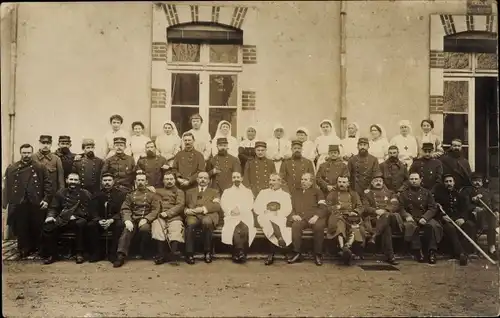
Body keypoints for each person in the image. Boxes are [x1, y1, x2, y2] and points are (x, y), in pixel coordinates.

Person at [2, 144, 52, 259]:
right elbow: (7, 186)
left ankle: (36, 248)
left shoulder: (40, 167)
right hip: (19, 201)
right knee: (21, 226)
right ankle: (23, 249)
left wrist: (46, 200)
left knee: (36, 225)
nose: (26, 155)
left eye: (29, 153)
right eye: (24, 153)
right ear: (21, 153)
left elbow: (48, 184)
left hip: (36, 201)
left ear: (32, 153)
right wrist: (6, 202)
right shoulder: (12, 168)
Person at [41, 173, 93, 265]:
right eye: (71, 179)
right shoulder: (60, 193)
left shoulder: (85, 193)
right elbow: (53, 207)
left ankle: (79, 253)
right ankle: (52, 254)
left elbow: (89, 210)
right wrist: (51, 216)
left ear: (79, 181)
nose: (73, 182)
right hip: (63, 219)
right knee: (49, 227)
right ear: (66, 180)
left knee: (80, 224)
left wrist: (76, 216)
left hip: (78, 219)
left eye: (75, 180)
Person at [113, 172, 161, 268]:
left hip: (145, 219)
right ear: (135, 181)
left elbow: (156, 209)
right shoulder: (130, 195)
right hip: (133, 219)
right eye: (138, 180)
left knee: (145, 229)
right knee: (127, 230)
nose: (140, 182)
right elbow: (125, 208)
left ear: (146, 182)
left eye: (142, 180)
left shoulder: (152, 195)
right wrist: (127, 220)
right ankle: (121, 255)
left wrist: (147, 219)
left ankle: (144, 251)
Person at [399, 172, 442, 264]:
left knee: (434, 226)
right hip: (411, 217)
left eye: (416, 179)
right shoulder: (404, 194)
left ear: (420, 180)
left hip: (425, 216)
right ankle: (418, 251)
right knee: (411, 226)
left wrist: (425, 218)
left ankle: (432, 252)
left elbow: (432, 207)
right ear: (408, 180)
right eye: (412, 179)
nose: (414, 181)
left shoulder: (427, 192)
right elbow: (401, 208)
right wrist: (406, 216)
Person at [434, 175, 475, 266]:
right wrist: (442, 217)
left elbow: (465, 209)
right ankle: (461, 253)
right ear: (444, 183)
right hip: (446, 220)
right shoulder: (439, 196)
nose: (449, 183)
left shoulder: (459, 195)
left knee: (470, 225)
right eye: (446, 181)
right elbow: (435, 210)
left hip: (458, 219)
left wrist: (462, 218)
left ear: (454, 182)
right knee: (450, 228)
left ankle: (465, 251)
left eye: (450, 181)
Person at [287, 173, 328, 266]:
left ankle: (318, 254)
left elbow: (323, 207)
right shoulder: (296, 192)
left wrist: (317, 216)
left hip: (315, 217)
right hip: (302, 218)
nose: (303, 181)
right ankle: (297, 253)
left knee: (319, 227)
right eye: (302, 179)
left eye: (306, 180)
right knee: (296, 226)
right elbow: (290, 207)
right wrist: (293, 215)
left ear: (311, 182)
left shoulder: (318, 192)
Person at [361, 172, 402, 265]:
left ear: (383, 182)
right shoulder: (367, 194)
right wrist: (375, 211)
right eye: (376, 181)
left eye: (380, 181)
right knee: (386, 229)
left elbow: (395, 205)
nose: (378, 182)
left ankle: (374, 236)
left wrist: (385, 210)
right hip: (375, 219)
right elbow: (365, 207)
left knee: (386, 216)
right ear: (372, 183)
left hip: (391, 219)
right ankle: (390, 257)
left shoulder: (390, 193)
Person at [253, 173, 293, 265]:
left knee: (276, 221)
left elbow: (288, 209)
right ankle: (281, 242)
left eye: (274, 180)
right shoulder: (263, 192)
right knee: (268, 220)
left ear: (280, 182)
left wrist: (278, 212)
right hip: (264, 216)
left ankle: (271, 253)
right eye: (270, 180)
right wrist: (264, 210)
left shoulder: (285, 195)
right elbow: (256, 206)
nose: (271, 182)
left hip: (278, 216)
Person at [88, 173, 127, 262]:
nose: (107, 183)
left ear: (113, 182)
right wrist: (98, 220)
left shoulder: (120, 195)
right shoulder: (96, 194)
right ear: (101, 182)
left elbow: (122, 210)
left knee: (119, 226)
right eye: (105, 180)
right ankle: (97, 253)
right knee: (91, 225)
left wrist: (112, 219)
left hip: (114, 220)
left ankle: (113, 253)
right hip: (101, 220)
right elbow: (92, 210)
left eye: (109, 180)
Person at [326, 176, 365, 265]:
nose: (341, 184)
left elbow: (360, 206)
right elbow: (327, 207)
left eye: (344, 182)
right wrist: (337, 207)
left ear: (348, 184)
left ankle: (347, 247)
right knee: (340, 224)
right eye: (339, 182)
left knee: (355, 226)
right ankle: (342, 247)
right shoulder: (332, 194)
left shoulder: (354, 194)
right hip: (338, 215)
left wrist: (355, 212)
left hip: (351, 217)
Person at [184, 172, 221, 265]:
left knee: (207, 222)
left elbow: (217, 206)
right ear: (197, 180)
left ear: (209, 181)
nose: (203, 180)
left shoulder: (214, 192)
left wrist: (202, 209)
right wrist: (186, 210)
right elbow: (184, 205)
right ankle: (189, 253)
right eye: (200, 178)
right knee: (190, 223)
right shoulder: (189, 192)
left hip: (208, 215)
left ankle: (207, 252)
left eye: (205, 178)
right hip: (193, 215)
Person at [220, 171, 257, 263]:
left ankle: (237, 252)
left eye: (238, 177)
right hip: (231, 216)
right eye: (234, 177)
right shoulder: (227, 191)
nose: (236, 179)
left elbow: (250, 204)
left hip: (245, 215)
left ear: (241, 178)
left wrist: (239, 209)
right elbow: (223, 204)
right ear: (232, 179)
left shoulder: (248, 191)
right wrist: (231, 210)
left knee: (244, 227)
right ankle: (240, 252)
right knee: (235, 228)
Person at [150, 172, 185, 265]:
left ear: (174, 180)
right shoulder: (157, 191)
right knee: (157, 226)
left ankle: (173, 253)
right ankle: (161, 254)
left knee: (176, 227)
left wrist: (168, 213)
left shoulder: (179, 192)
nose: (169, 181)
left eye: (171, 179)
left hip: (174, 216)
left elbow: (180, 205)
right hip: (160, 216)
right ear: (163, 181)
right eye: (167, 179)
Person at [462, 172, 499, 257]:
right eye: (475, 181)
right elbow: (465, 205)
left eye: (479, 181)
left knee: (492, 217)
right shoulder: (467, 191)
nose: (477, 183)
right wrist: (474, 207)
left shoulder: (487, 191)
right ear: (471, 182)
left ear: (482, 182)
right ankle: (483, 248)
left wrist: (496, 210)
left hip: (488, 217)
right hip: (473, 216)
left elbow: (494, 203)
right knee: (490, 218)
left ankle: (491, 247)